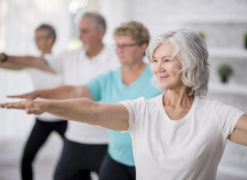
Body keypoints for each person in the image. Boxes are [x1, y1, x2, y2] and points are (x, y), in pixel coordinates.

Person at [1, 28, 247, 180]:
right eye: (156, 60)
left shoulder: (215, 115)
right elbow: (93, 109)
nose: (157, 67)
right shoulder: (142, 110)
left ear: (190, 63)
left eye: (167, 59)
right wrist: (48, 105)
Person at [7, 21, 162, 180]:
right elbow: (76, 91)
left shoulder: (158, 77)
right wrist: (39, 95)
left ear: (143, 46)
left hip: (149, 160)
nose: (120, 51)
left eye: (126, 46)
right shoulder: (109, 78)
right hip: (117, 158)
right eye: (117, 46)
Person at [0, 12, 118, 180]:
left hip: (105, 141)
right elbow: (34, 61)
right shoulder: (69, 57)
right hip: (74, 139)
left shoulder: (116, 58)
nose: (80, 36)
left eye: (85, 31)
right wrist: (5, 57)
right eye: (79, 31)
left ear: (100, 32)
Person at [0, 24, 67, 180]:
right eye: (35, 38)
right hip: (42, 119)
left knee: (74, 158)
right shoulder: (31, 63)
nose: (35, 41)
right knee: (26, 158)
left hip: (63, 118)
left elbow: (33, 61)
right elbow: (9, 64)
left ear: (50, 39)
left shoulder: (60, 61)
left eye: (39, 38)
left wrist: (4, 57)